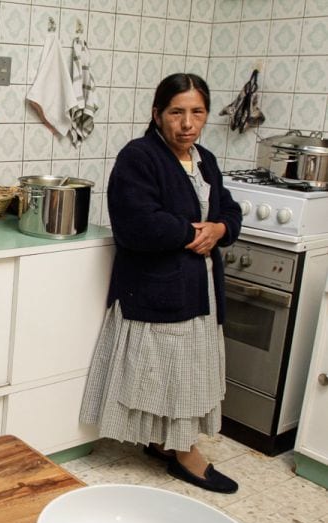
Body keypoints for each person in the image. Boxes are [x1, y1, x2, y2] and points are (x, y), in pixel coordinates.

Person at [79, 73, 242, 494]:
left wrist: (220, 229)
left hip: (200, 289)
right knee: (170, 374)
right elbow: (136, 224)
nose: (187, 123)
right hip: (158, 290)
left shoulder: (206, 159)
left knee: (188, 373)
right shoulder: (139, 157)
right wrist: (193, 234)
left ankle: (166, 444)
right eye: (177, 112)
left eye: (197, 112)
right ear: (157, 114)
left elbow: (230, 210)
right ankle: (187, 456)